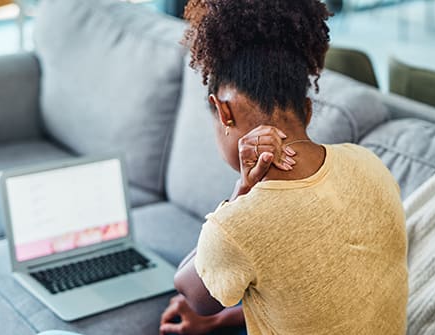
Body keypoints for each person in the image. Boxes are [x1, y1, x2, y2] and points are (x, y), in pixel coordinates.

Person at [159, 0, 408, 334]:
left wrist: (240, 195)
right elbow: (316, 302)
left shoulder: (241, 223)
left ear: (222, 112)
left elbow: (192, 292)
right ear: (307, 109)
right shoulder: (372, 165)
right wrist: (222, 321)